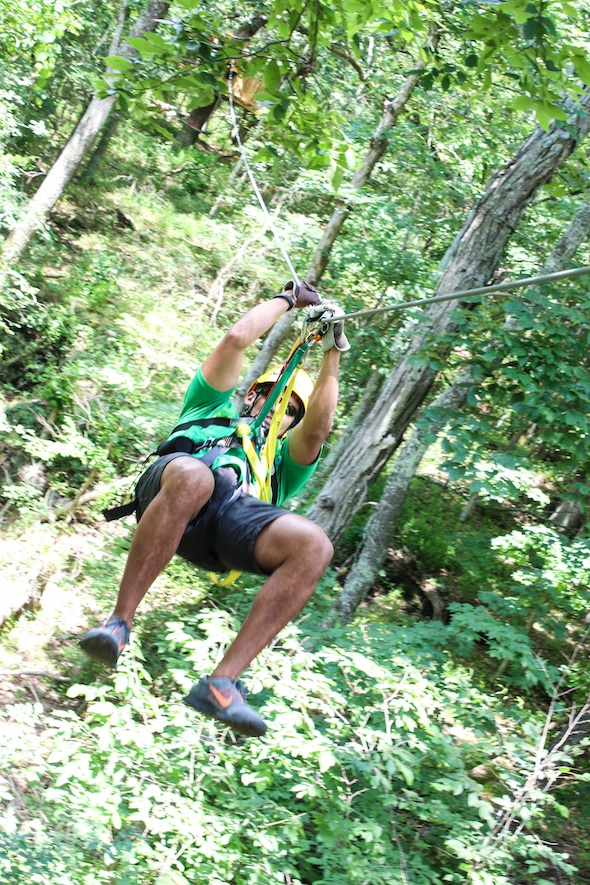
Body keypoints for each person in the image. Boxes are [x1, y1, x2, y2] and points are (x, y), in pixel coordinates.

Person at [79, 281, 350, 737]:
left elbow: (319, 429)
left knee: (314, 546)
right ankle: (119, 623)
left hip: (224, 528)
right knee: (196, 477)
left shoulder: (280, 466)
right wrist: (288, 300)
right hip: (172, 490)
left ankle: (223, 683)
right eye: (275, 397)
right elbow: (235, 341)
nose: (281, 410)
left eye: (292, 411)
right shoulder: (209, 405)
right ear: (252, 395)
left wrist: (333, 352)